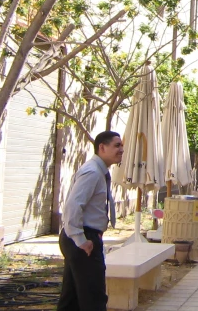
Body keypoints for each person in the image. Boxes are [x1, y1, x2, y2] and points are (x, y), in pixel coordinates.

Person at [58, 131, 124, 311]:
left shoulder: (99, 171)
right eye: (117, 145)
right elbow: (72, 206)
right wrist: (81, 240)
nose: (121, 150)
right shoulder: (92, 172)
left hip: (84, 237)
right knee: (94, 299)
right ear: (102, 147)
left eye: (122, 146)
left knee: (71, 300)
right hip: (82, 239)